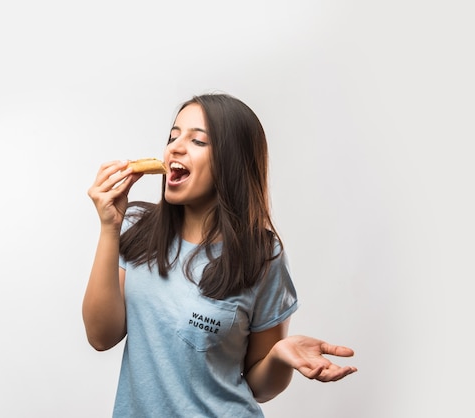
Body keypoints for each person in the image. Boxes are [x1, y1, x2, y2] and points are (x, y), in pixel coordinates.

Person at [83, 93, 357, 417]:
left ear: (232, 161)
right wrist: (109, 228)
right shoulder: (138, 229)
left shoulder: (262, 255)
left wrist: (280, 355)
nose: (175, 147)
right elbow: (101, 336)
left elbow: (259, 386)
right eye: (173, 136)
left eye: (198, 141)